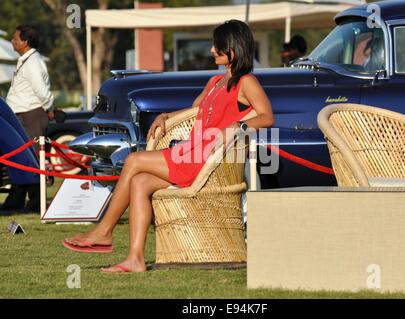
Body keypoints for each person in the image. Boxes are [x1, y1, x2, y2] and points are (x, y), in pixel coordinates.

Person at [62, 19, 274, 273]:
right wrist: (166, 116)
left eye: (217, 46)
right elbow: (195, 111)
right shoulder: (215, 83)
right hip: (191, 152)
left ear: (232, 48)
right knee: (139, 182)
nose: (211, 51)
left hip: (205, 160)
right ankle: (135, 259)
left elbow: (266, 116)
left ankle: (104, 231)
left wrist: (237, 128)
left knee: (133, 161)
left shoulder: (247, 82)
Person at [2, 25, 54, 212]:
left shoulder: (32, 62)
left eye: (15, 38)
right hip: (22, 113)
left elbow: (41, 89)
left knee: (30, 159)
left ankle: (35, 202)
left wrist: (49, 108)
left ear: (25, 42)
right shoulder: (26, 60)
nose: (12, 41)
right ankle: (17, 200)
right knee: (20, 160)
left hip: (31, 114)